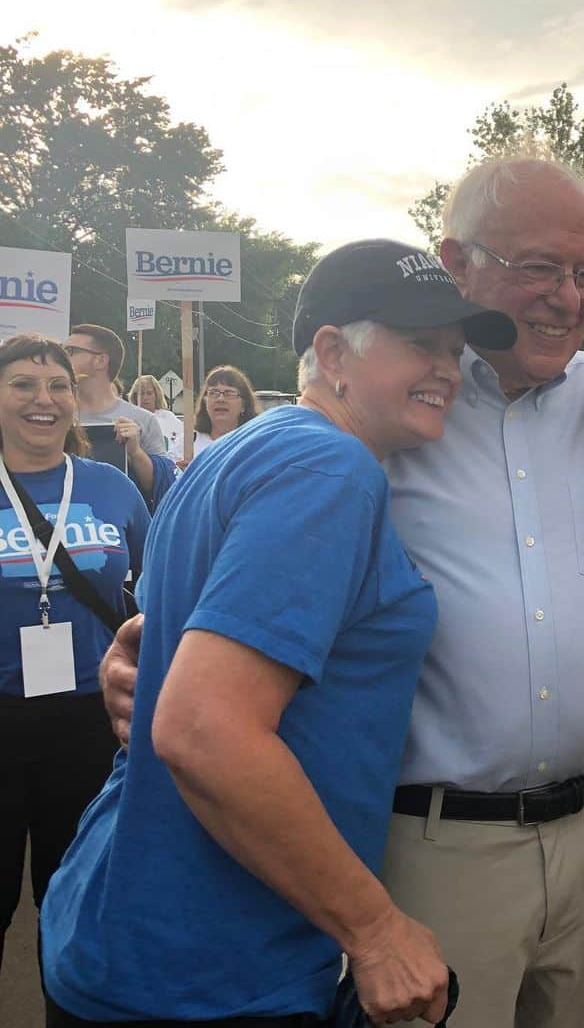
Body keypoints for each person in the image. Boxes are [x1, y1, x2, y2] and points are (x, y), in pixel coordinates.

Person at [98, 157, 584, 1028]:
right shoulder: (374, 430)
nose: (567, 295)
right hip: (438, 847)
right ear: (457, 262)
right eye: (539, 267)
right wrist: (159, 641)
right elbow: (218, 684)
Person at [40, 240, 516, 1027]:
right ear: (331, 351)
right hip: (211, 965)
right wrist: (375, 931)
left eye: (456, 351)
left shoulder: (239, 452)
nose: (448, 370)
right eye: (421, 343)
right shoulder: (329, 470)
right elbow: (203, 727)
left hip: (126, 924)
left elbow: (182, 636)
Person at [0, 334, 149, 983]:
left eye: (57, 384)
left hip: (92, 721)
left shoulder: (110, 486)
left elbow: (158, 585)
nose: (44, 399)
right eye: (24, 385)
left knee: (75, 901)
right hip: (0, 720)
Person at [62, 325, 167, 497]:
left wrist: (135, 452)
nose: (62, 358)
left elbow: (159, 488)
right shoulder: (56, 416)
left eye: (70, 351)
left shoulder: (143, 420)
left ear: (101, 361)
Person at [181, 364, 261, 469]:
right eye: (213, 393)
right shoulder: (187, 443)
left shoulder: (255, 445)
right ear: (205, 402)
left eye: (229, 393)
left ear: (244, 405)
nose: (220, 399)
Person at [129, 374, 184, 461]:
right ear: (135, 396)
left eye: (149, 393)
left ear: (156, 395)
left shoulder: (168, 417)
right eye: (141, 394)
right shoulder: (131, 419)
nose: (145, 397)